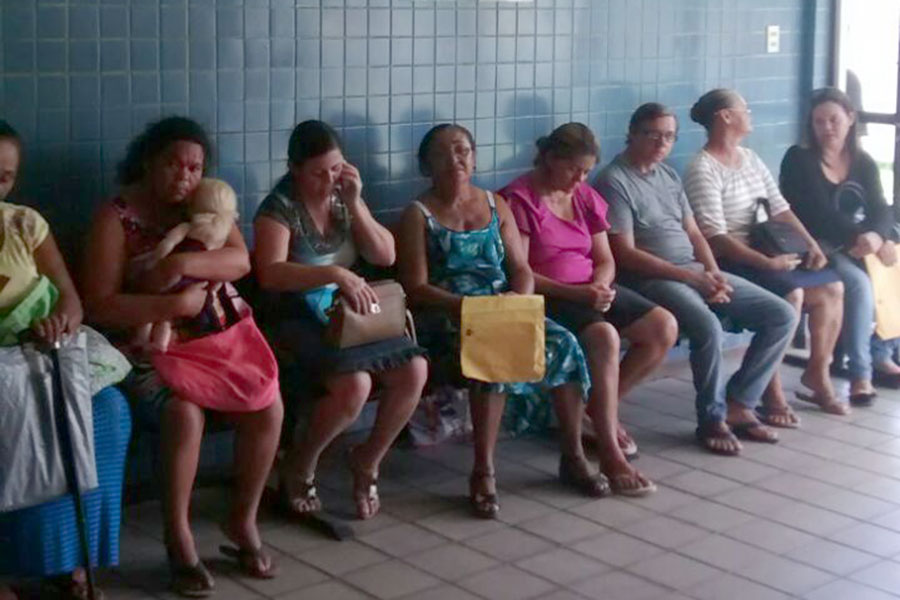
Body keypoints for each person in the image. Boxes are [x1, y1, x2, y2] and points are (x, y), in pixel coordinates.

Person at [399, 123, 647, 520]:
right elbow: (416, 288)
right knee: (492, 352)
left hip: (503, 306)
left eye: (462, 150)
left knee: (564, 344)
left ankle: (573, 455)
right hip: (450, 315)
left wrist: (518, 298)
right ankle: (483, 472)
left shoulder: (495, 204)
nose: (455, 159)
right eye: (443, 153)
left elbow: (520, 268)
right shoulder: (418, 214)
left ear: (474, 158)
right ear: (426, 165)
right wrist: (466, 306)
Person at [83, 117, 283, 596]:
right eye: (174, 164)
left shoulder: (203, 206)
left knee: (269, 406)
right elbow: (99, 305)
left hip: (212, 339)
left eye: (194, 167)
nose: (185, 177)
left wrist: (180, 263)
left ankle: (242, 520)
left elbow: (240, 261)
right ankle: (179, 536)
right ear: (148, 161)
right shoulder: (115, 217)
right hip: (144, 344)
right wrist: (171, 306)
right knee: (183, 412)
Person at [599, 103, 798, 455]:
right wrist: (693, 280)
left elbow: (694, 233)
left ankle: (740, 402)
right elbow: (625, 254)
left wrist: (712, 273)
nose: (661, 143)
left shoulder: (668, 176)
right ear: (631, 134)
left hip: (693, 270)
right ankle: (711, 418)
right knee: (707, 327)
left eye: (669, 137)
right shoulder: (614, 180)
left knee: (781, 314)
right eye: (652, 134)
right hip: (650, 278)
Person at [253, 120, 428, 521]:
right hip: (297, 313)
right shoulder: (279, 208)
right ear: (294, 169)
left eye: (336, 169)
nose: (328, 180)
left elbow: (385, 256)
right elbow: (270, 273)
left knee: (415, 369)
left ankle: (367, 460)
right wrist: (332, 274)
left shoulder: (343, 198)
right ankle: (300, 464)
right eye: (318, 173)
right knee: (355, 385)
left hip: (349, 311)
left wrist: (356, 202)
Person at [497, 123, 674, 487]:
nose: (579, 179)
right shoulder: (520, 199)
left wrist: (601, 284)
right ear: (549, 159)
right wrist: (579, 294)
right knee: (604, 337)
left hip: (590, 288)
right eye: (572, 169)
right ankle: (609, 452)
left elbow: (605, 258)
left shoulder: (584, 197)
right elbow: (521, 272)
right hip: (549, 295)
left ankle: (595, 411)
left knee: (662, 327)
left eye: (586, 171)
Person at [0, 120, 132, 600]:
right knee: (18, 421)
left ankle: (67, 557)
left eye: (5, 177)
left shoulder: (24, 224)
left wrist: (60, 322)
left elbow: (71, 300)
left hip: (37, 353)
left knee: (107, 412)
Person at [683, 88, 846, 419]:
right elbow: (716, 238)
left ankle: (818, 375)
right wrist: (767, 263)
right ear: (726, 116)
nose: (749, 114)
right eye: (744, 109)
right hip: (734, 259)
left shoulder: (750, 158)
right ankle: (767, 394)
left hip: (769, 250)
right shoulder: (703, 168)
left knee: (832, 288)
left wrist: (810, 244)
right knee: (792, 296)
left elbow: (780, 209)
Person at [780, 87, 900, 404]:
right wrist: (861, 238)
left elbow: (881, 207)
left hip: (858, 243)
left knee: (894, 262)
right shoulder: (799, 159)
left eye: (834, 120)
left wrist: (879, 237)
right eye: (819, 122)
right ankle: (861, 375)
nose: (827, 128)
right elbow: (818, 214)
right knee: (858, 283)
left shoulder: (863, 161)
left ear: (850, 118)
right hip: (816, 247)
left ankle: (883, 350)